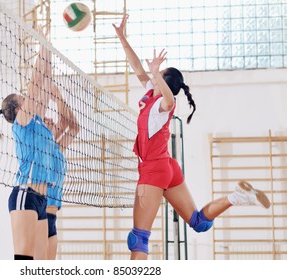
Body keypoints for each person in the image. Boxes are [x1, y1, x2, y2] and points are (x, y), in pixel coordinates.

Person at [113, 15, 271, 260]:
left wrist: (156, 75)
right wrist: (122, 38)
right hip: (168, 167)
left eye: (157, 74)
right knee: (199, 223)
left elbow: (168, 100)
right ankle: (236, 197)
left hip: (154, 170)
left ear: (161, 81)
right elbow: (136, 68)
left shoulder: (162, 105)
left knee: (139, 238)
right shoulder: (150, 95)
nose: (151, 76)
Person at [0, 27, 55, 260]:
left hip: (40, 198)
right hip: (25, 194)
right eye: (24, 100)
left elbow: (44, 85)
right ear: (18, 109)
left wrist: (49, 51)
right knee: (24, 262)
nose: (30, 100)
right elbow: (36, 84)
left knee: (42, 264)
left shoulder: (36, 121)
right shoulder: (22, 123)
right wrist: (41, 45)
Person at [34, 85, 80, 260]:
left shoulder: (57, 148)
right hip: (40, 214)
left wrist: (59, 97)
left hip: (52, 217)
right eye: (45, 121)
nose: (50, 121)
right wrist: (48, 94)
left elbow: (73, 127)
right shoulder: (38, 146)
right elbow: (63, 124)